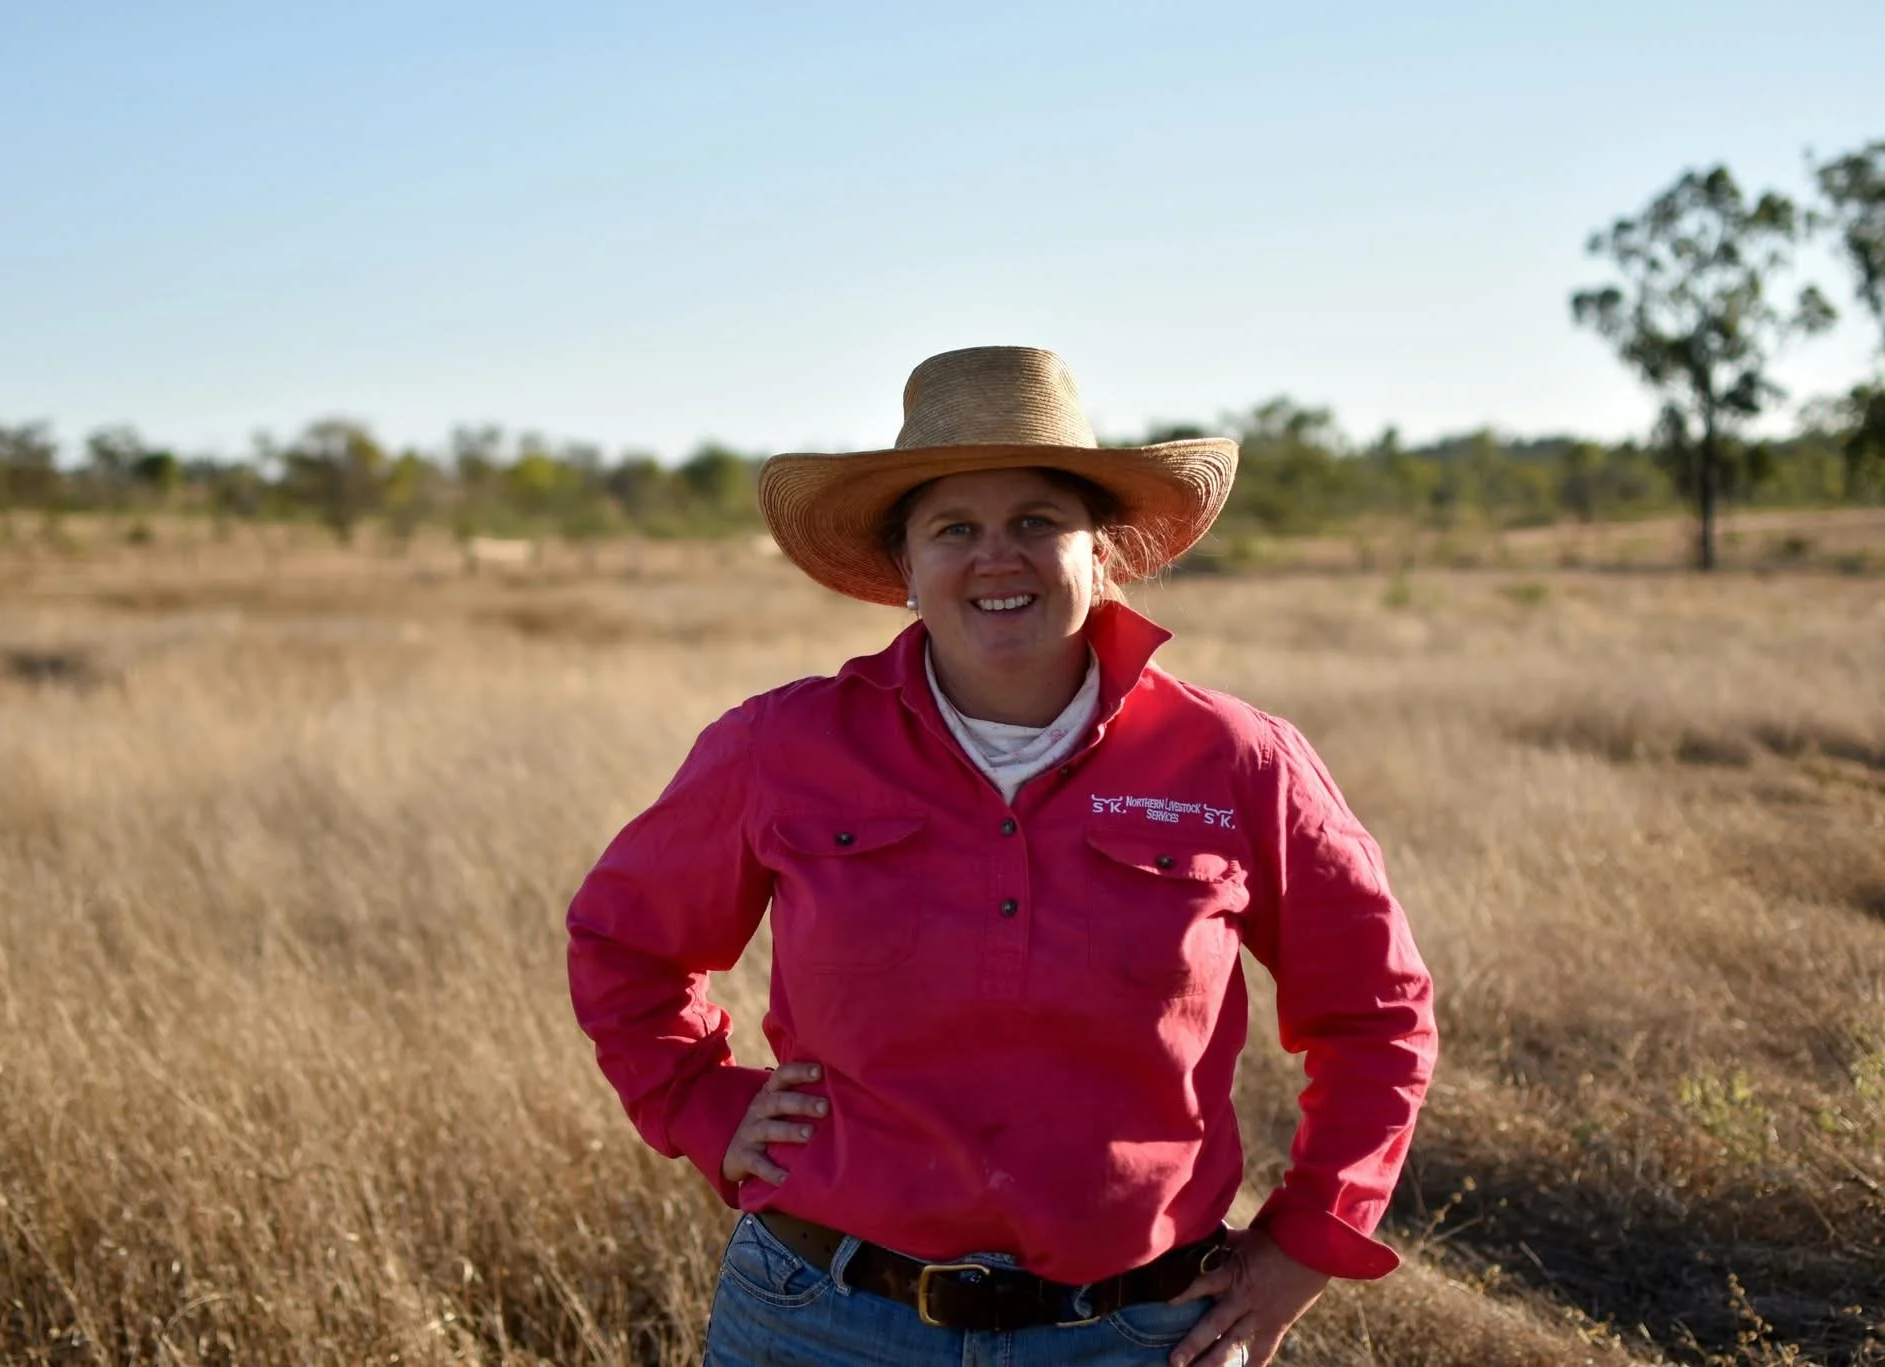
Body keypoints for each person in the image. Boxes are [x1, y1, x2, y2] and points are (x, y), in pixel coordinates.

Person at [566, 346, 1437, 1367]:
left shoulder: (1238, 760)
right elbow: (623, 942)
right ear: (903, 568)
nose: (996, 556)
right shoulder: (781, 747)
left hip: (1138, 1330)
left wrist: (1303, 1243)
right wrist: (699, 1100)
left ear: (1102, 552)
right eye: (953, 529)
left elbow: (1374, 1015)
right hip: (819, 1317)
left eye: (1035, 521)